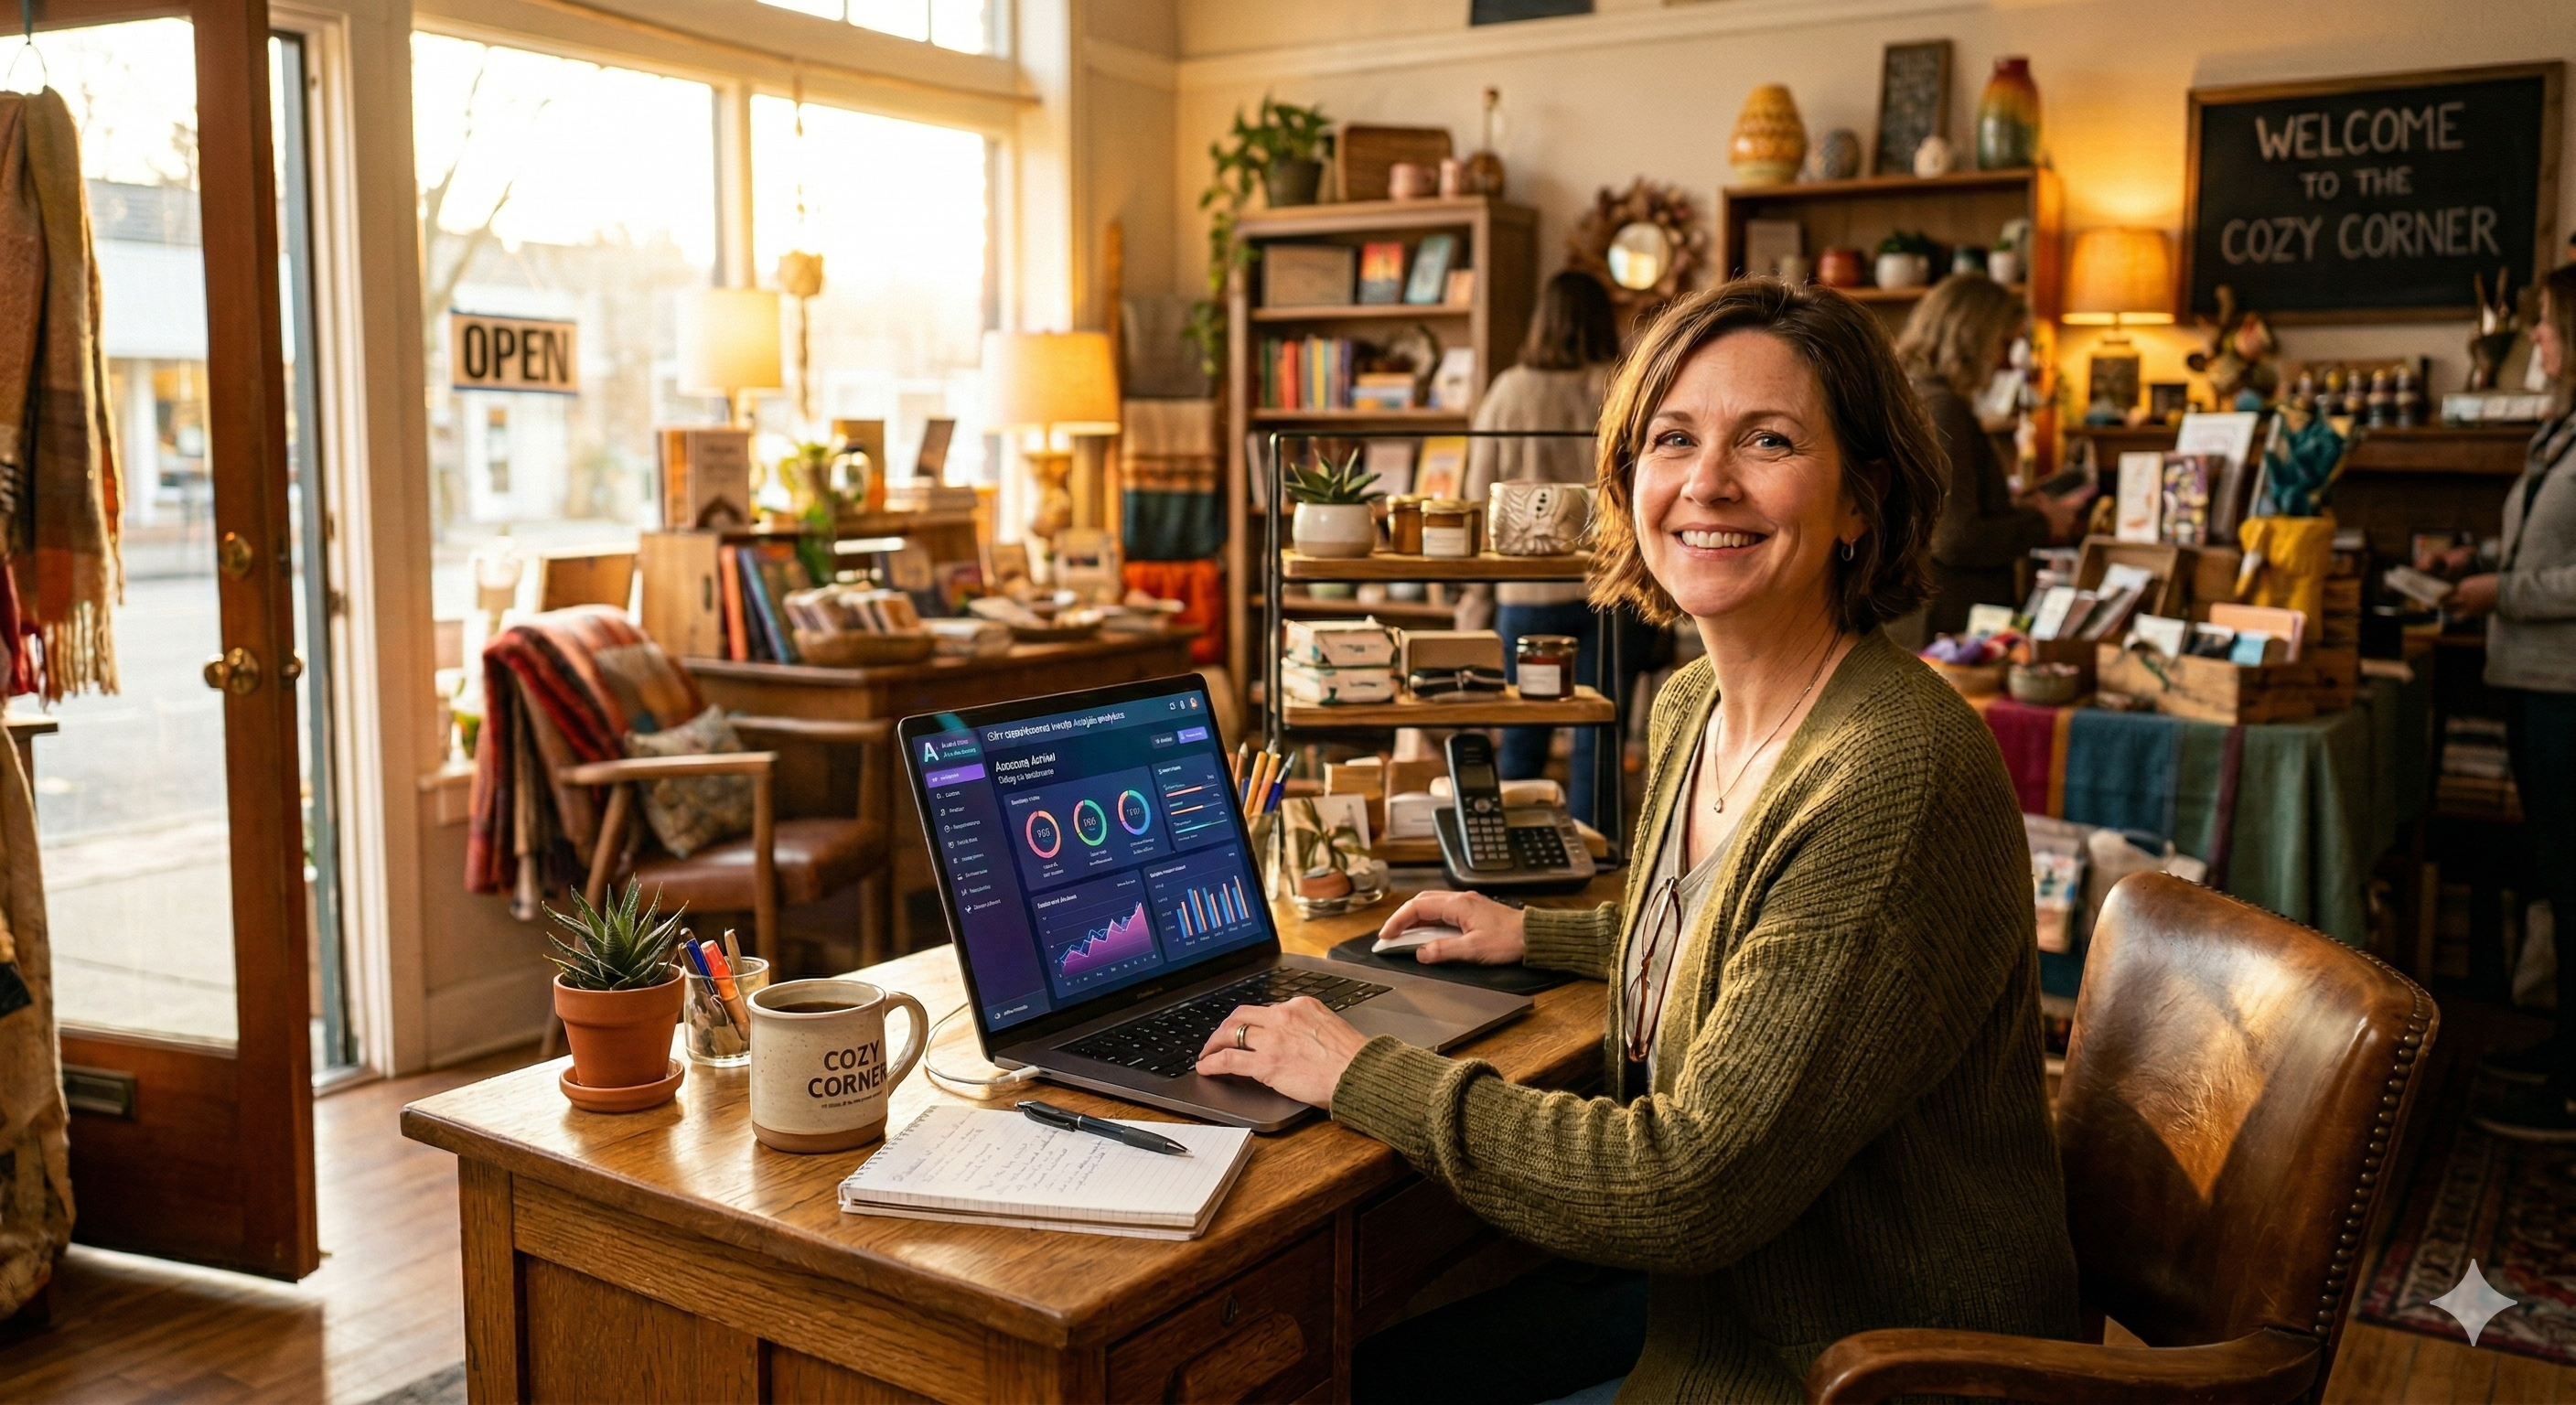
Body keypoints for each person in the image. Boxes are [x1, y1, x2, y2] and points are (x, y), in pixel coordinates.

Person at [1197, 280, 2081, 1402]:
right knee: (1359, 1367)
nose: (1706, 481)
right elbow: (1751, 941)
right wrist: (1538, 930)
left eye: (1767, 440)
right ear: (1628, 481)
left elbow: (1687, 1186)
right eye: (1673, 438)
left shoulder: (1890, 775)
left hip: (1848, 1362)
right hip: (1719, 1304)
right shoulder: (1691, 704)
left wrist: (1357, 1070)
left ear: (1862, 500)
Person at [2432, 261, 2576, 1142]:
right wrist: (2474, 562)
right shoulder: (2558, 431)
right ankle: (2563, 1050)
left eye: (2550, 324)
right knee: (2558, 880)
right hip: (2530, 681)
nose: (2535, 337)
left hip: (2566, 687)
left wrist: (2503, 591)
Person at [1457, 269, 1650, 828]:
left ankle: (1518, 851)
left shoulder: (1508, 391)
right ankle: (1598, 860)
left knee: (1522, 731)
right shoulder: (1617, 388)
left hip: (1526, 589)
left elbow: (1476, 493)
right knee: (1598, 733)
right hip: (1606, 587)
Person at [1894, 273, 2087, 638]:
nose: (2006, 364)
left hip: (1919, 616)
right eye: (2003, 343)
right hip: (1945, 620)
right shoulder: (1943, 408)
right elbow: (1955, 539)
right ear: (1971, 339)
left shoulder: (1911, 396)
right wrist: (2043, 524)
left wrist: (2009, 506)